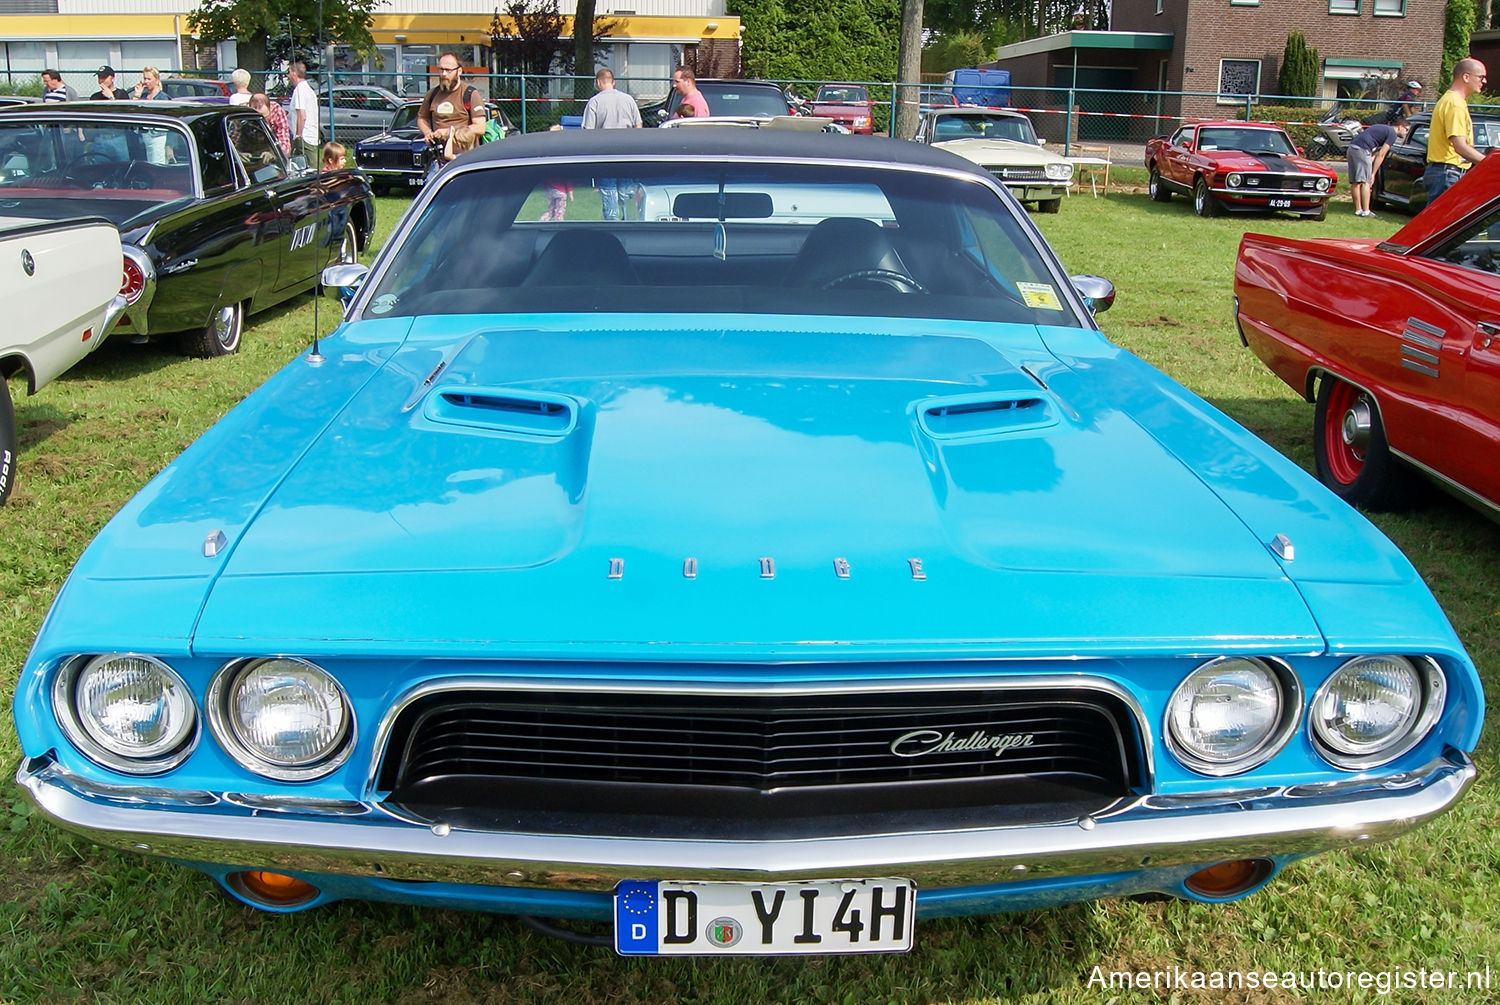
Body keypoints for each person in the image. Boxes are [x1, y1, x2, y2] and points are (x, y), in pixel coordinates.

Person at [1423, 57, 1488, 207]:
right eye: (1481, 77)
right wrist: (1490, 163)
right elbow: (1460, 147)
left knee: (1439, 226)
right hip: (1447, 174)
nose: (1484, 81)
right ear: (1466, 77)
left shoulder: (1451, 100)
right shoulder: (1455, 104)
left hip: (1443, 173)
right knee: (1441, 227)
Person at [581, 68, 643, 220]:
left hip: (605, 155)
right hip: (628, 154)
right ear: (613, 82)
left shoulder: (594, 102)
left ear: (598, 82)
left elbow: (587, 132)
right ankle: (631, 221)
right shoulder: (628, 99)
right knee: (627, 195)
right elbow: (639, 126)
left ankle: (612, 225)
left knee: (609, 196)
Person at [418, 52, 487, 165]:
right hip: (438, 159)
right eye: (441, 69)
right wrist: (428, 133)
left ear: (459, 71)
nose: (444, 74)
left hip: (464, 159)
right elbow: (421, 118)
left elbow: (480, 128)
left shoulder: (470, 94)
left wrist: (448, 132)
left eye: (448, 70)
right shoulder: (432, 94)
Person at [1347, 120, 1407, 218]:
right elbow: (1381, 154)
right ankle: (1366, 211)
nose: (1406, 133)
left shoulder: (1384, 128)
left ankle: (1358, 210)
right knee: (1365, 181)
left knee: (1355, 182)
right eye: (1406, 130)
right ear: (1400, 127)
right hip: (1363, 149)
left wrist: (1369, 161)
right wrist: (1373, 173)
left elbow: (1375, 152)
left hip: (1352, 147)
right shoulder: (1392, 134)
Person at [287, 62, 320, 164]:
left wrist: (298, 135)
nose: (288, 76)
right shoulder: (307, 89)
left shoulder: (300, 90)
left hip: (304, 137)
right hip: (310, 135)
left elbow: (302, 115)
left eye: (289, 72)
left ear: (294, 73)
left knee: (309, 168)